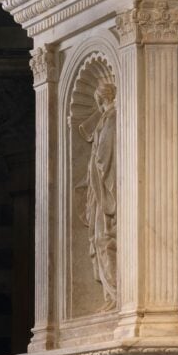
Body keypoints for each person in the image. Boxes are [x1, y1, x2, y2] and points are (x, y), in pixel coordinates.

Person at [78, 80, 118, 308]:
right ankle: (111, 294)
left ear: (100, 99)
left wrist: (95, 171)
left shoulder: (111, 119)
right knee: (102, 238)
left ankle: (114, 294)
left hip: (106, 189)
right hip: (100, 189)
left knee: (105, 239)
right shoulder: (106, 119)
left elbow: (104, 157)